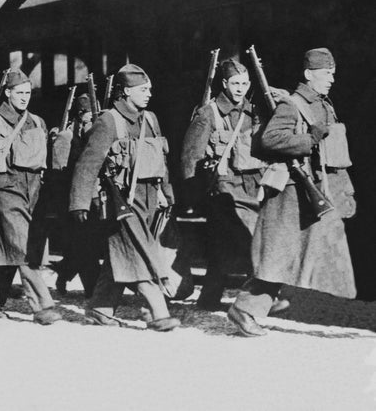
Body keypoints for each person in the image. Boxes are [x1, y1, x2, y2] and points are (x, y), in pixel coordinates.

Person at [227, 48, 357, 336]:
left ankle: (258, 303)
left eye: (333, 73)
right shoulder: (292, 104)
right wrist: (309, 138)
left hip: (313, 192)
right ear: (309, 75)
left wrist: (344, 189)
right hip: (291, 194)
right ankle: (245, 308)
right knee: (280, 255)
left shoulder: (324, 104)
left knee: (295, 254)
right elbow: (269, 140)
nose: (332, 79)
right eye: (326, 73)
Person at [69, 64, 180, 331]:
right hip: (120, 200)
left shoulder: (150, 119)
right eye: (143, 90)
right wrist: (80, 202)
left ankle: (101, 308)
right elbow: (88, 164)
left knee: (121, 256)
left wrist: (167, 192)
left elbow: (160, 159)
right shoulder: (109, 120)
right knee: (138, 253)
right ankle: (158, 312)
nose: (149, 94)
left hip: (150, 199)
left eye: (149, 89)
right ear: (127, 91)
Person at [0, 71, 61, 325]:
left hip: (32, 192)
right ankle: (43, 305)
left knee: (13, 249)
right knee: (24, 247)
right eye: (19, 93)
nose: (24, 98)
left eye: (28, 93)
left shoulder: (37, 122)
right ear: (8, 93)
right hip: (5, 191)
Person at [180, 59, 266, 310]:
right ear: (225, 84)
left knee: (223, 246)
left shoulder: (255, 110)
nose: (240, 88)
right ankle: (259, 298)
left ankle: (209, 298)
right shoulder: (209, 112)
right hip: (224, 187)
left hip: (253, 183)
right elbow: (190, 156)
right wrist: (193, 197)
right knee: (247, 239)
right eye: (235, 83)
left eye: (245, 83)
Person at [49, 93, 104, 297]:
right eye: (90, 116)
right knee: (84, 244)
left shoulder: (95, 133)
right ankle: (92, 289)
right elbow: (58, 171)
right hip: (72, 199)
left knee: (85, 244)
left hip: (95, 196)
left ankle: (64, 272)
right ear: (80, 115)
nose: (93, 120)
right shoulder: (66, 136)